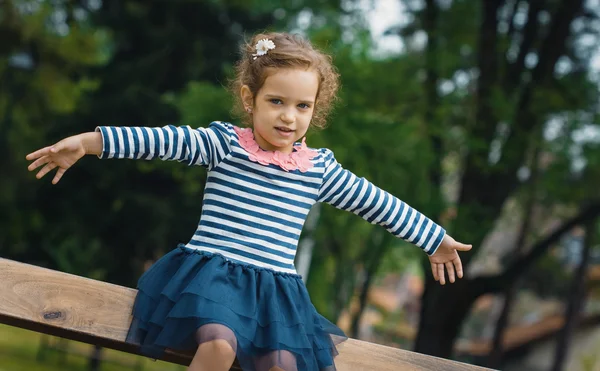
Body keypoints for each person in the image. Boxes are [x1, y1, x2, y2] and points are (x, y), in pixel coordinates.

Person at [26, 32, 472, 371]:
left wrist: (433, 238)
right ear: (249, 98)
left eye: (302, 106)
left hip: (275, 293)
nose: (288, 116)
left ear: (315, 111)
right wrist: (88, 142)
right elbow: (159, 140)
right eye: (276, 101)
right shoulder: (225, 144)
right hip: (213, 277)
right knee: (220, 344)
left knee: (283, 365)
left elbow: (375, 202)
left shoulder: (318, 168)